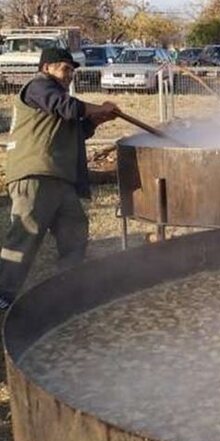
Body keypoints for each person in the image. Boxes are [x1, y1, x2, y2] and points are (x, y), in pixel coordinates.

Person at [0, 48, 120, 310]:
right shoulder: (38, 87)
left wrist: (97, 120)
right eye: (64, 69)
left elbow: (76, 131)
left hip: (59, 179)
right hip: (35, 174)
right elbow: (67, 108)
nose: (69, 76)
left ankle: (67, 285)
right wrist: (98, 107)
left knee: (75, 230)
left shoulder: (58, 99)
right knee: (26, 233)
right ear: (46, 68)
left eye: (71, 71)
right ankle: (4, 295)